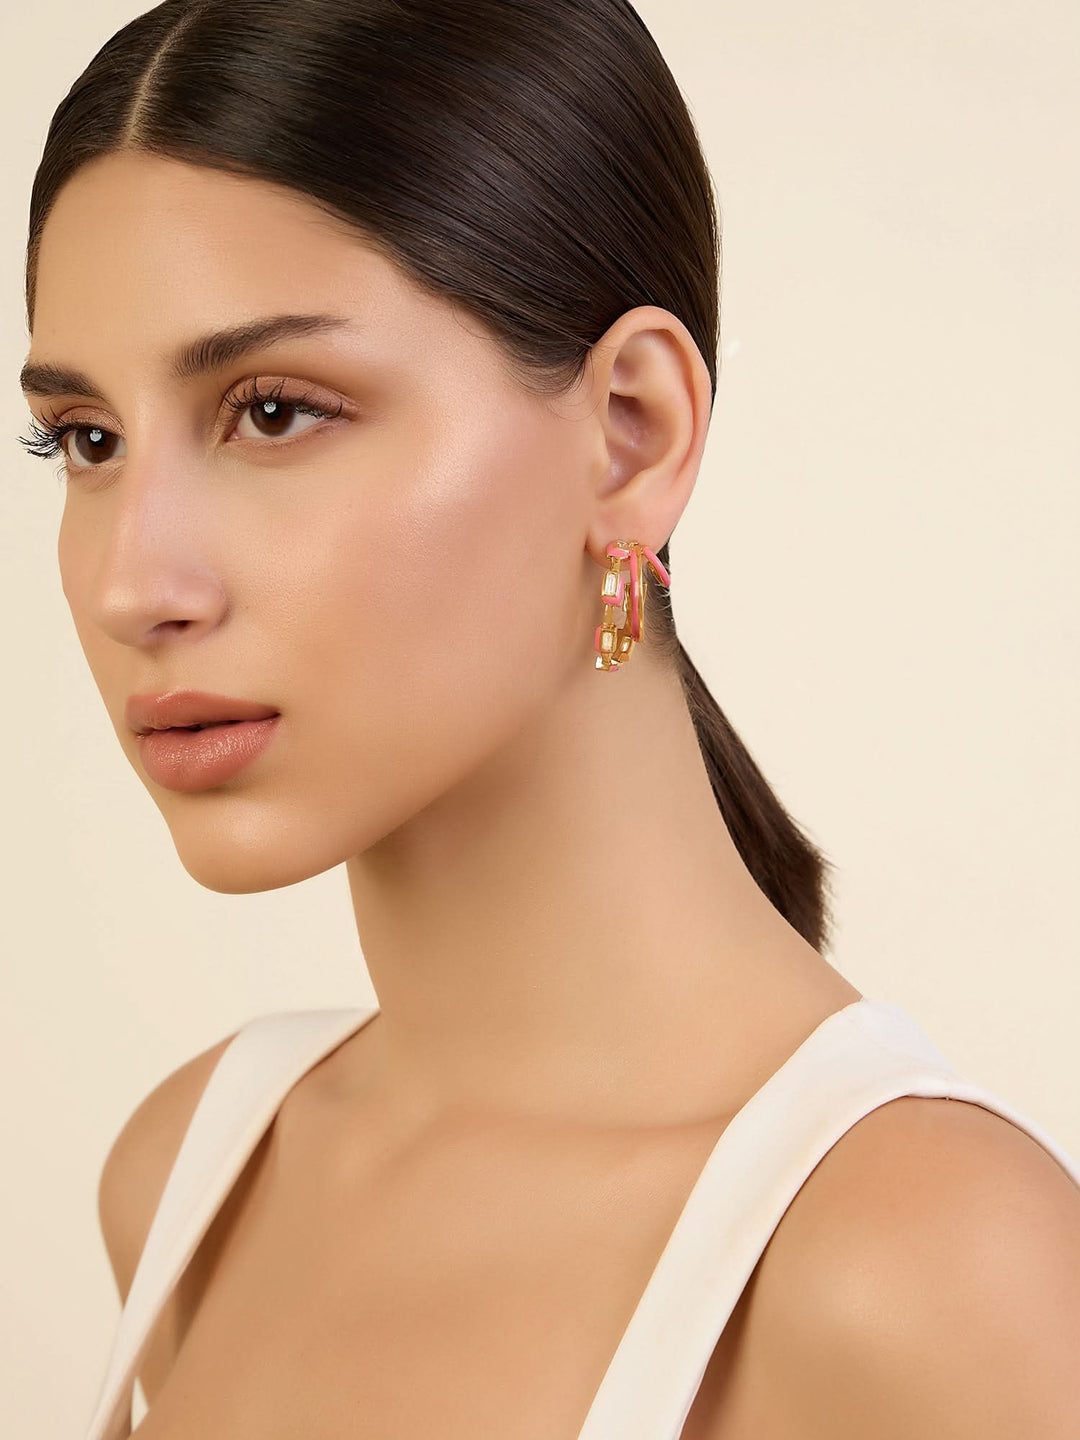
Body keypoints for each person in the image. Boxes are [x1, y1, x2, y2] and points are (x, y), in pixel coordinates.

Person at [18, 2, 1080, 1437]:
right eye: (87, 439)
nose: (135, 585)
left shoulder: (933, 1276)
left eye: (273, 412)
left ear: (633, 433)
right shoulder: (193, 1178)